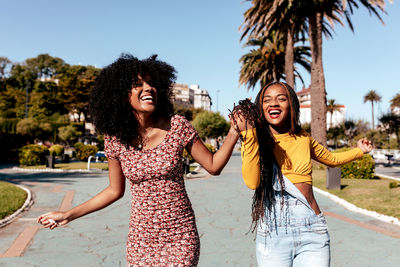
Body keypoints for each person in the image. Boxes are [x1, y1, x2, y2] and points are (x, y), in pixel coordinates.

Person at [37, 54, 240, 266]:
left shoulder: (177, 126)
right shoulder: (115, 139)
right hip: (141, 240)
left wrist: (234, 131)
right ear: (122, 95)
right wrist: (69, 214)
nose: (148, 88)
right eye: (138, 85)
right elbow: (114, 191)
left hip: (180, 236)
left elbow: (213, 166)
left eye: (152, 83)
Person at [237, 81, 372, 267]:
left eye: (281, 99)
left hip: (312, 228)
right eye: (267, 100)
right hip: (273, 231)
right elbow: (252, 182)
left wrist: (359, 151)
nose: (274, 103)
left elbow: (331, 159)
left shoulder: (302, 137)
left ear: (291, 104)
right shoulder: (253, 140)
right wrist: (249, 133)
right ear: (261, 108)